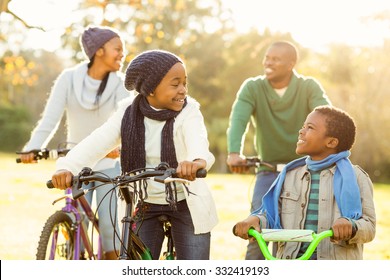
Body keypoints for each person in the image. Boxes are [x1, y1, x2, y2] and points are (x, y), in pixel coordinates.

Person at [50, 49, 219, 260]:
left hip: (185, 201)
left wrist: (196, 161)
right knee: (135, 266)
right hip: (144, 202)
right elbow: (97, 141)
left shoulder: (189, 112)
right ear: (150, 89)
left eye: (185, 83)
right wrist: (67, 167)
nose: (183, 90)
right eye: (175, 84)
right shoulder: (127, 113)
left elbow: (198, 140)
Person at [20, 26, 130, 259]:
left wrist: (119, 147)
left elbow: (124, 121)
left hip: (109, 164)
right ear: (99, 51)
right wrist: (32, 148)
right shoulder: (68, 78)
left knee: (111, 229)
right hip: (75, 164)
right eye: (117, 49)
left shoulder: (121, 83)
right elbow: (49, 120)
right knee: (76, 223)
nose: (123, 53)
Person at [226, 41, 332, 259]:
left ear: (291, 64)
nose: (268, 62)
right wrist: (234, 152)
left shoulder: (308, 87)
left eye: (275, 59)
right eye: (267, 57)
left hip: (306, 171)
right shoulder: (253, 87)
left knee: (308, 231)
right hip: (268, 170)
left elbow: (327, 117)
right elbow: (238, 120)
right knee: (256, 229)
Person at [233, 105, 376, 260]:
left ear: (331, 142)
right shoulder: (289, 175)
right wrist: (255, 220)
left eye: (310, 127)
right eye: (303, 126)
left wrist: (351, 226)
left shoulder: (357, 177)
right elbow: (273, 217)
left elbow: (369, 227)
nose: (301, 131)